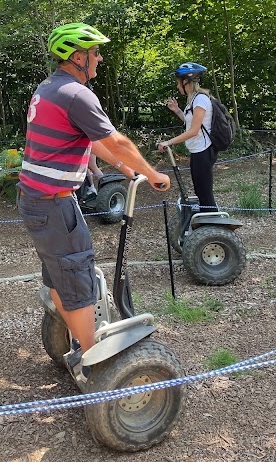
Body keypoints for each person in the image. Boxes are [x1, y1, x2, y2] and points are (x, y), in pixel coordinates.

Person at [18, 23, 170, 358]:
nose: (100, 58)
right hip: (54, 205)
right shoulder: (77, 94)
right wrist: (152, 172)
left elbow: (89, 140)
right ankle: (93, 360)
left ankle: (77, 340)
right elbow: (116, 140)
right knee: (78, 278)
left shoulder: (49, 87)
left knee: (60, 276)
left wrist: (125, 167)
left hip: (35, 202)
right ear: (77, 56)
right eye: (95, 52)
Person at [157, 62, 218, 212]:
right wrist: (177, 110)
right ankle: (207, 226)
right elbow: (191, 124)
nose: (178, 86)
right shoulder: (194, 100)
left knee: (205, 194)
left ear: (186, 82)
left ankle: (213, 229)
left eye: (178, 83)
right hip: (197, 151)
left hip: (204, 151)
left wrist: (169, 142)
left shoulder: (201, 99)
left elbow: (194, 131)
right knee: (200, 191)